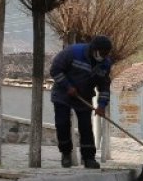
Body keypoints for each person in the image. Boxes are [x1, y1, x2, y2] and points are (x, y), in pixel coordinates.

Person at [49, 35, 114, 169]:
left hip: (83, 97)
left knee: (85, 127)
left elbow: (104, 87)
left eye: (106, 54)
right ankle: (66, 153)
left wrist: (101, 105)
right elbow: (55, 70)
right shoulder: (73, 52)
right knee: (62, 123)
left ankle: (88, 158)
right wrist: (68, 86)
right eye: (102, 53)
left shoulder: (105, 64)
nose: (103, 56)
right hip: (63, 93)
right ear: (94, 49)